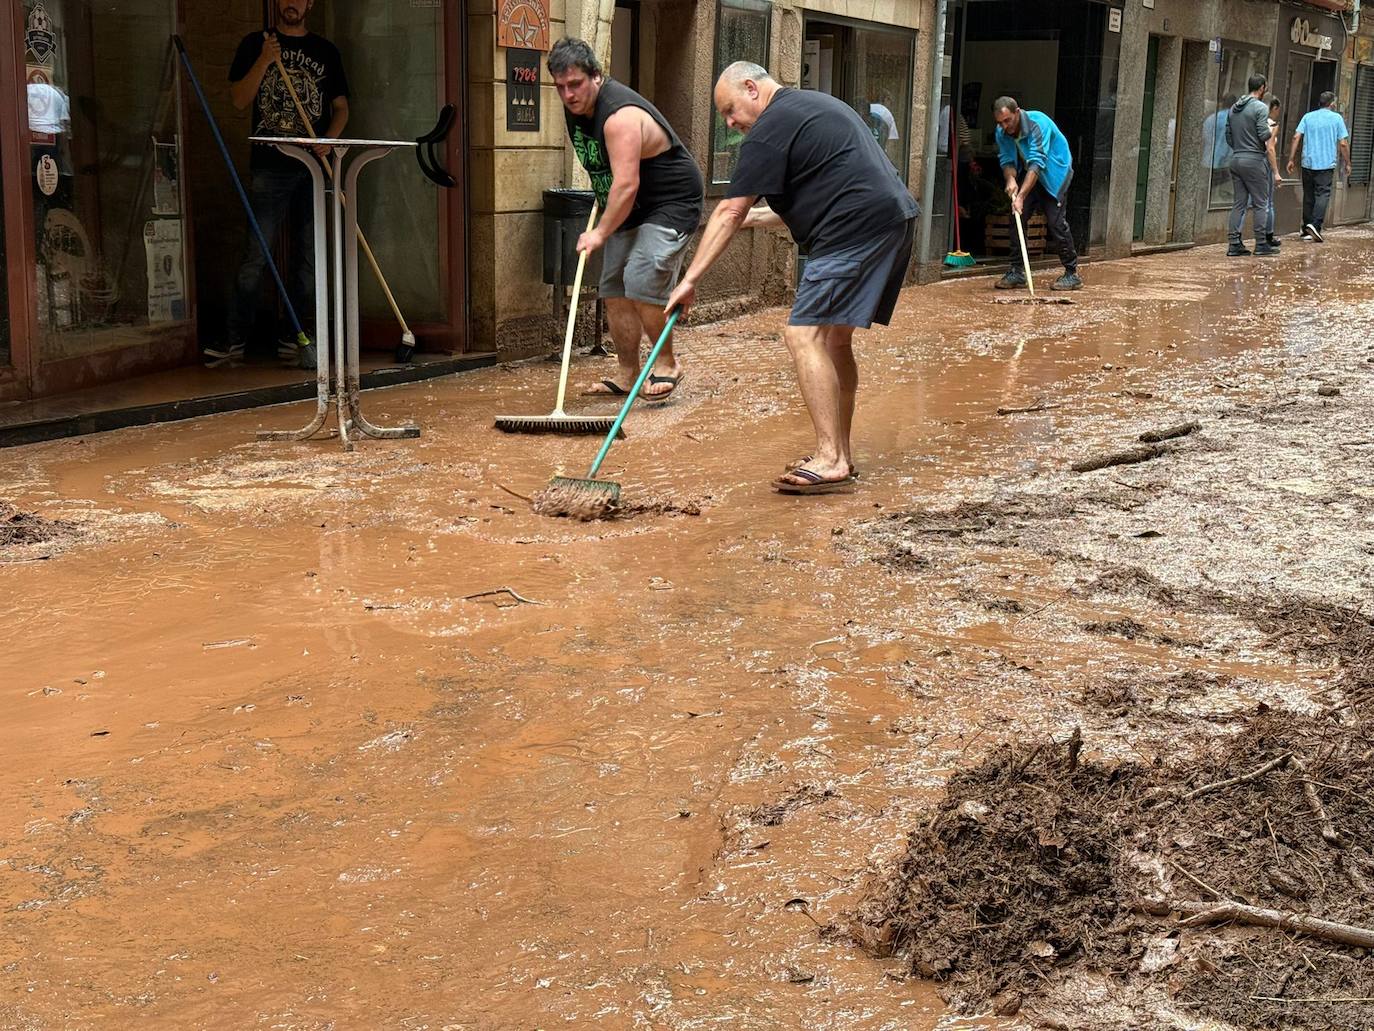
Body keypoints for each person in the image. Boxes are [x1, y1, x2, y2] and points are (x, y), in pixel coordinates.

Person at [664, 62, 919, 495]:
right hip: (890, 219)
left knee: (803, 335)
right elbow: (790, 202)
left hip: (854, 229)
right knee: (835, 339)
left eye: (730, 110)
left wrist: (689, 280)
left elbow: (730, 209)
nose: (730, 123)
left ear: (751, 88)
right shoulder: (808, 107)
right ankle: (840, 452)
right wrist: (743, 220)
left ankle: (830, 458)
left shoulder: (769, 127)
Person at [548, 37, 703, 402]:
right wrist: (605, 208)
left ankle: (666, 364)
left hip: (671, 201)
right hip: (627, 203)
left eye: (576, 85)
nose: (569, 95)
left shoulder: (619, 117)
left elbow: (627, 182)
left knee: (641, 275)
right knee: (614, 288)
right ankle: (628, 372)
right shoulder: (577, 112)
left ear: (596, 77)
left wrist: (600, 233)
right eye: (561, 87)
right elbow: (607, 172)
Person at [205, 0, 350, 368]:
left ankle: (297, 335)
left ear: (310, 3)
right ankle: (234, 337)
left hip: (312, 167)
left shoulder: (325, 51)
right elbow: (239, 100)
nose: (292, 3)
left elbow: (342, 108)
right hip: (270, 167)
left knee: (309, 258)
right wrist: (265, 61)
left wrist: (326, 142)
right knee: (256, 254)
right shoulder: (256, 44)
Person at [991, 97, 1082, 291]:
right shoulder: (1002, 132)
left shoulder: (1038, 123)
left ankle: (1071, 273)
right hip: (1030, 171)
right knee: (1017, 215)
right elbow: (1007, 160)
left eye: (1007, 121)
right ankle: (1017, 271)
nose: (1005, 126)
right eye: (1000, 122)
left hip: (1055, 173)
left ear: (1017, 113)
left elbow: (1037, 162)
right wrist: (1011, 179)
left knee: (1055, 222)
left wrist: (1022, 196)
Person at [1287, 91, 1351, 243]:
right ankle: (1315, 225)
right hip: (1326, 163)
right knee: (1323, 194)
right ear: (1332, 104)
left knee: (1308, 195)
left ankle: (1306, 229)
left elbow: (1296, 136)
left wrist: (1291, 159)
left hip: (1307, 163)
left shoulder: (1308, 117)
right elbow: (1343, 143)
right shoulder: (1336, 118)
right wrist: (1347, 162)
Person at [1224, 75, 1274, 257]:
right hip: (1254, 160)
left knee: (1239, 203)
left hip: (1236, 159)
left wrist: (1240, 147)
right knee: (1261, 203)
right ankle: (1261, 243)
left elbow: (1228, 136)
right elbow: (1263, 135)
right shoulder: (1260, 107)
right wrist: (1272, 129)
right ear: (1262, 88)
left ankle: (1234, 243)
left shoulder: (1233, 109)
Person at [1263, 98, 1283, 250]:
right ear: (1274, 108)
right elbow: (1270, 149)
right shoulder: (1271, 125)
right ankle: (1267, 237)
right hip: (1265, 166)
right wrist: (1276, 172)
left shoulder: (1255, 122)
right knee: (1268, 202)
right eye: (1278, 110)